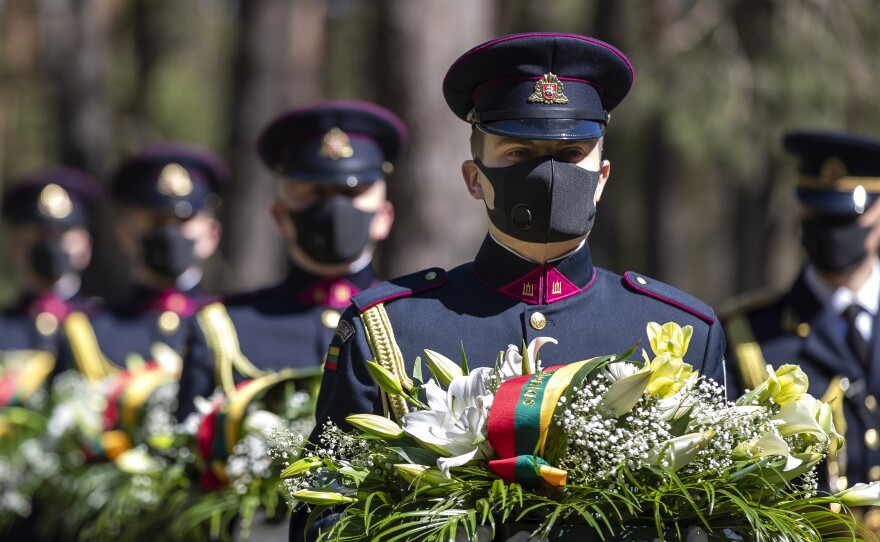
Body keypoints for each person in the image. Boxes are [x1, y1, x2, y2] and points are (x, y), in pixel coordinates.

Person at [293, 32, 726, 541]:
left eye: (570, 154)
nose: (546, 173)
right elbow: (326, 515)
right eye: (518, 151)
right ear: (474, 178)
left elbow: (722, 516)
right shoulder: (389, 326)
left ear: (602, 176)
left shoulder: (679, 330)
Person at [176, 100, 404, 420]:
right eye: (314, 192)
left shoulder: (411, 318)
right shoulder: (225, 327)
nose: (334, 208)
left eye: (352, 193)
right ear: (280, 216)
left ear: (384, 216)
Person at [723, 130, 880, 496]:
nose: (833, 233)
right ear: (801, 209)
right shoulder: (749, 337)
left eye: (845, 220)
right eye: (820, 216)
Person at [87, 142, 227, 367]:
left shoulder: (230, 328)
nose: (169, 233)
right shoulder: (90, 332)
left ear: (211, 235)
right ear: (124, 233)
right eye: (156, 220)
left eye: (183, 221)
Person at [0, 166, 103, 378]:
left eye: (62, 234)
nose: (51, 245)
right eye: (40, 234)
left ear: (86, 246)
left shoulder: (107, 325)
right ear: (14, 245)